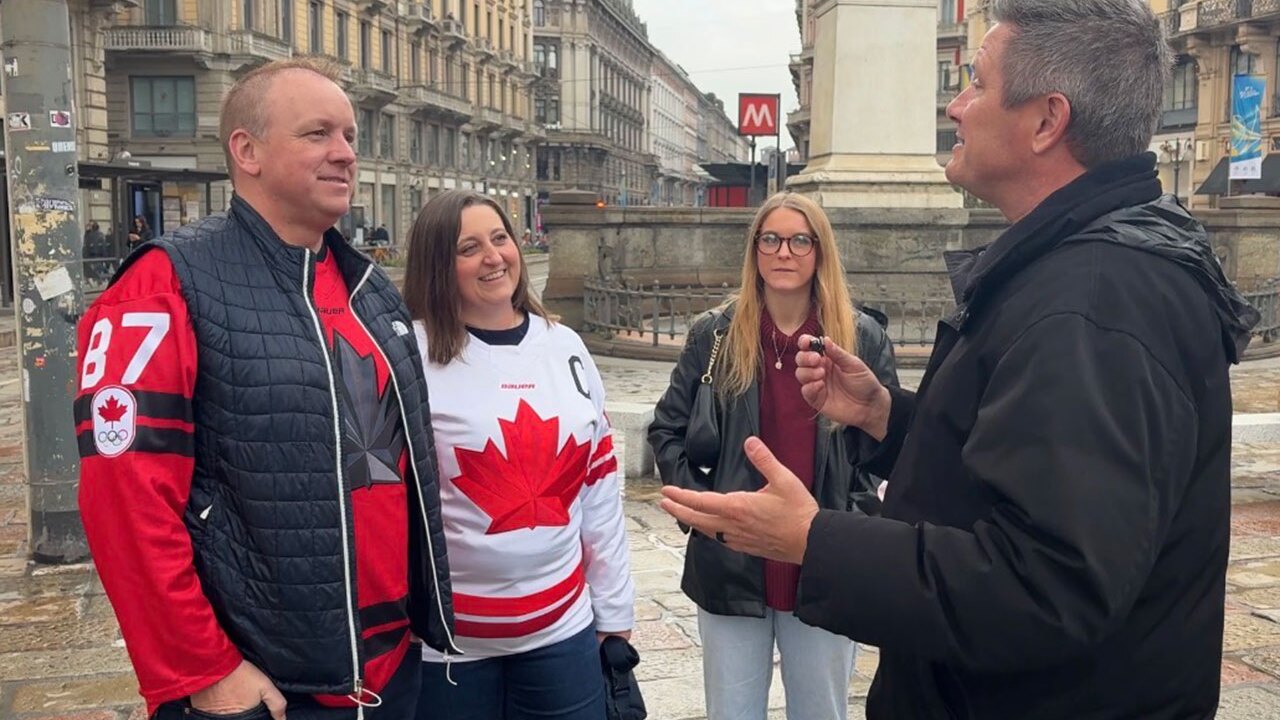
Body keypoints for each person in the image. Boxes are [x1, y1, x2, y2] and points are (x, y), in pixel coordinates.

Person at [659, 1, 1261, 718]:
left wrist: (814, 540)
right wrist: (891, 419)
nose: (955, 104)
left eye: (975, 81)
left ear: (1046, 121)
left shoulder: (1095, 304)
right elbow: (1027, 472)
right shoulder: (1077, 269)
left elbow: (1047, 585)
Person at [74, 57, 458, 720]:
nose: (344, 154)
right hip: (263, 689)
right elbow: (124, 503)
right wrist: (204, 668)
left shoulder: (371, 288)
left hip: (392, 667)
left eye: (351, 137)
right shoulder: (163, 286)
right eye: (318, 134)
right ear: (246, 151)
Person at [647, 191, 898, 720]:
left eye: (800, 240)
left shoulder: (861, 337)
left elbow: (887, 444)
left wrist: (856, 517)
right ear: (755, 251)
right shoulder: (715, 333)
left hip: (824, 559)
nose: (785, 252)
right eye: (771, 239)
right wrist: (707, 510)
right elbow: (666, 428)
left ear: (819, 251)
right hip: (733, 561)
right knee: (732, 712)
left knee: (820, 711)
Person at [401, 189, 634, 720]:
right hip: (449, 646)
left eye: (500, 238)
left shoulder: (566, 347)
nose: (493, 257)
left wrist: (615, 608)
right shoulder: (409, 354)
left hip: (562, 633)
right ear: (438, 265)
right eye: (469, 247)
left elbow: (599, 490)